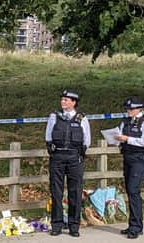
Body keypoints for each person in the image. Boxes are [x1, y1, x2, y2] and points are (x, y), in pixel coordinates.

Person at [45, 89, 91, 237]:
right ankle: (57, 225)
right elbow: (48, 137)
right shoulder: (54, 117)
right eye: (62, 99)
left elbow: (87, 140)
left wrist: (78, 155)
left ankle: (74, 226)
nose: (63, 102)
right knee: (56, 192)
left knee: (75, 192)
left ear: (74, 102)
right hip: (57, 157)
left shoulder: (82, 118)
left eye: (66, 100)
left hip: (74, 158)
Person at [115, 96, 144, 240]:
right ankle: (133, 224)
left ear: (139, 109)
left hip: (141, 158)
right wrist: (116, 139)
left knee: (133, 189)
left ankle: (136, 227)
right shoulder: (125, 121)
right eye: (127, 108)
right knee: (130, 190)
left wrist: (127, 139)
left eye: (131, 109)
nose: (128, 111)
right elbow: (119, 136)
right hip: (128, 157)